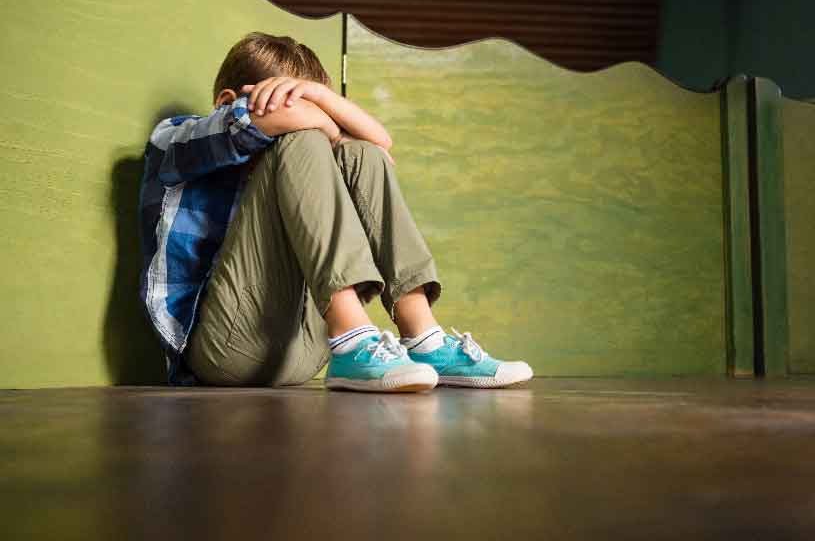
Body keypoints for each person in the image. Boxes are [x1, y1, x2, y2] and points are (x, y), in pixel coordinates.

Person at [138, 31, 533, 392]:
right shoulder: (176, 137)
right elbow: (265, 125)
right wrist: (324, 126)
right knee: (306, 141)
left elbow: (381, 143)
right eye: (300, 102)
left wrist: (322, 99)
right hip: (222, 350)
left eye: (318, 104)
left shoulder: (302, 160)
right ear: (227, 102)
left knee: (363, 153)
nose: (316, 118)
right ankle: (352, 336)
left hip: (303, 351)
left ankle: (423, 337)